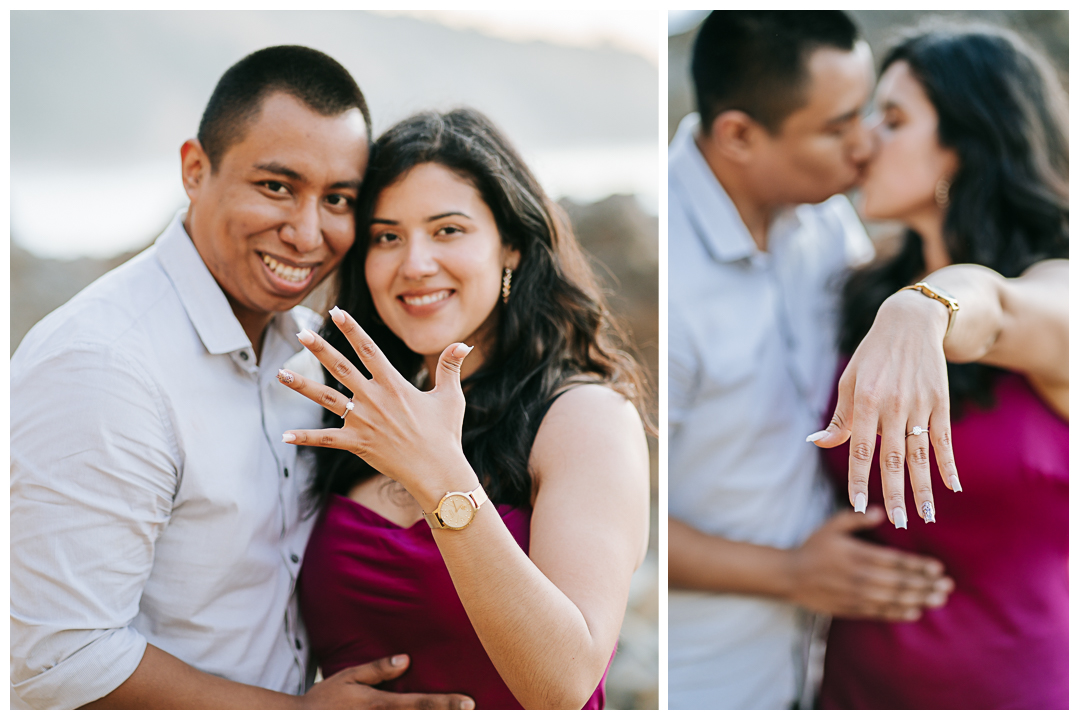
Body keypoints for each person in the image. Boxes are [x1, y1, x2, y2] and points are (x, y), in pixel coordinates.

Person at [10, 46, 472, 710]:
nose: (307, 233)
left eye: (338, 199)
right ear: (195, 170)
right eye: (277, 187)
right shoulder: (102, 363)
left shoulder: (306, 351)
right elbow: (62, 660)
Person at [274, 108, 652, 709]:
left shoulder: (585, 418)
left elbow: (563, 686)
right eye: (386, 236)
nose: (415, 263)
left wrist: (438, 472)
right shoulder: (355, 410)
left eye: (447, 230)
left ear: (512, 248)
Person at [667, 11, 955, 709]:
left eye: (868, 115)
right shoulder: (668, 281)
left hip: (835, 665)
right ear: (738, 134)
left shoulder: (825, 219)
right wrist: (793, 572)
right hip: (705, 678)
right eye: (837, 126)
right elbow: (621, 514)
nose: (864, 147)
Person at [809, 25, 1068, 709]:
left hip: (1011, 691)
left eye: (892, 120)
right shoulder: (855, 293)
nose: (862, 142)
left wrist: (923, 309)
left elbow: (1001, 308)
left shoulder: (1059, 284)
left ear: (968, 144)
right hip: (854, 687)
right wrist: (795, 569)